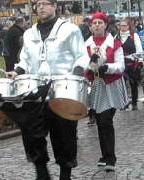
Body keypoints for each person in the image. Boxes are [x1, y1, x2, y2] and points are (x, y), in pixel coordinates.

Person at [6, 0, 89, 179]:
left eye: (45, 3)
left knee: (64, 136)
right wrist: (17, 71)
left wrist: (75, 74)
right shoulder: (29, 33)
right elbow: (25, 59)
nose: (40, 7)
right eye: (38, 4)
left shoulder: (70, 30)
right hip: (36, 92)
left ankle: (65, 175)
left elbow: (82, 56)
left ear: (54, 6)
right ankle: (42, 173)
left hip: (62, 90)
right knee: (31, 133)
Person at [84, 11, 128, 171]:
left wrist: (107, 68)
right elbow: (82, 64)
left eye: (100, 23)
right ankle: (104, 155)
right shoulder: (86, 44)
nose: (97, 25)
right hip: (95, 85)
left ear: (105, 25)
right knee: (100, 120)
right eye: (94, 23)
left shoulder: (114, 44)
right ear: (90, 27)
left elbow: (121, 65)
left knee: (106, 120)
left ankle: (111, 158)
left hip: (111, 85)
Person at [115, 17, 143, 111]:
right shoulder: (116, 37)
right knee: (121, 85)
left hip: (132, 64)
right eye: (121, 25)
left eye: (124, 25)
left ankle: (134, 103)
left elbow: (139, 49)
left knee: (133, 84)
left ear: (128, 26)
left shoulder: (134, 36)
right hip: (120, 64)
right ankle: (124, 103)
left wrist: (139, 61)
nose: (122, 27)